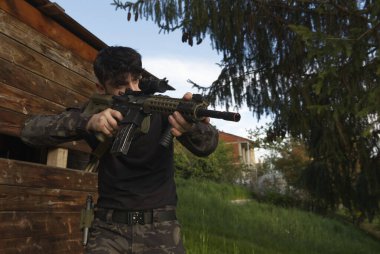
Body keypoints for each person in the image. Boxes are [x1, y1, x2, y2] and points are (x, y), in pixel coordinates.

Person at [21, 46, 219, 253]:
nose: (133, 89)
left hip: (161, 229)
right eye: (120, 85)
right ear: (100, 88)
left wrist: (190, 128)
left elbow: (208, 145)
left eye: (136, 80)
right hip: (108, 230)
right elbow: (29, 131)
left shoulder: (162, 109)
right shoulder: (96, 112)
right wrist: (87, 122)